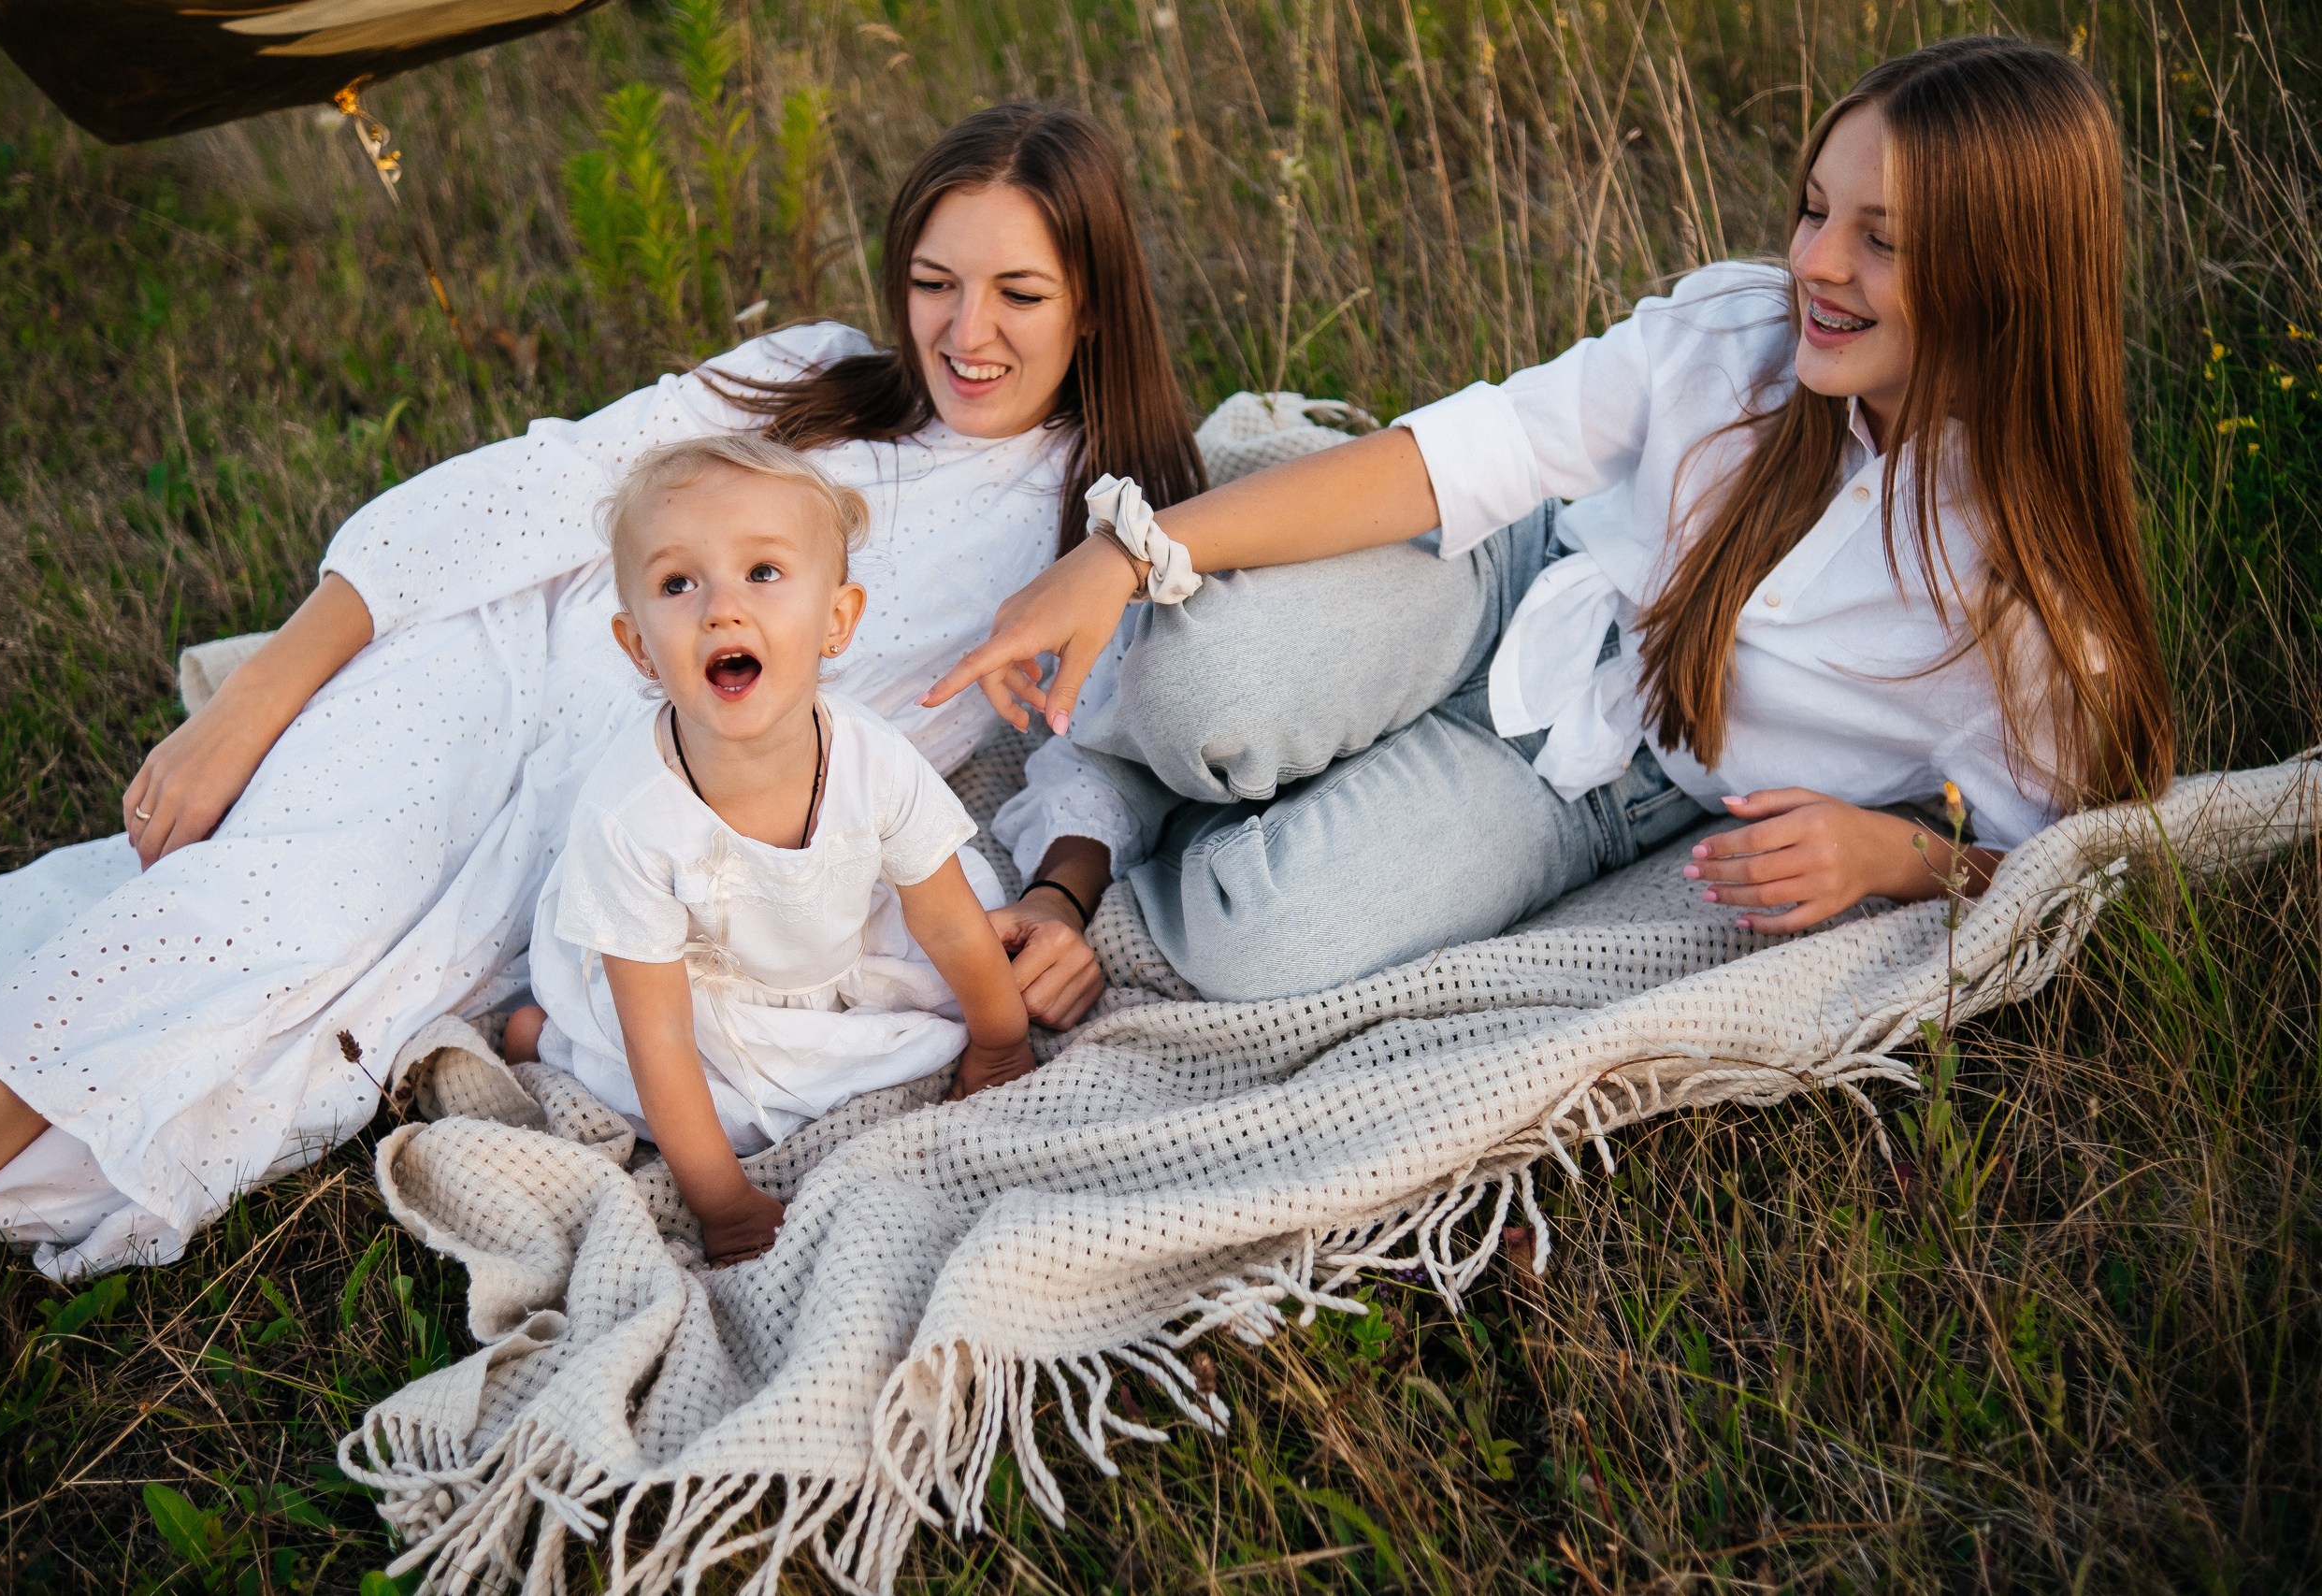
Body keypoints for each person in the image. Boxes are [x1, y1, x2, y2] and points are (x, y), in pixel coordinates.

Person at [0, 103, 1203, 1272]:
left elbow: (1100, 739)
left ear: (1093, 305)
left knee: (296, 1018)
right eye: (933, 284)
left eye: (1018, 294)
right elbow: (541, 485)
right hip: (483, 679)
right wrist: (256, 695)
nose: (964, 334)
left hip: (611, 805)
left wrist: (1057, 888)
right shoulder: (816, 375)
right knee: (259, 923)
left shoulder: (1100, 526)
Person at [926, 36, 2175, 1000]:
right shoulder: (1733, 335)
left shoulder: (2027, 608)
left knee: (1256, 934)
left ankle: (1137, 830)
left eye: (1880, 240)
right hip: (1505, 583)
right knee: (1191, 686)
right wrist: (1133, 547)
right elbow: (1450, 459)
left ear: (2008, 280)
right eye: (1813, 210)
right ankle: (1113, 797)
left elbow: (2059, 861)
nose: (1812, 262)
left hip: (1611, 782)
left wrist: (1894, 856)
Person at [511, 436, 1035, 1264]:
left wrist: (1002, 1039)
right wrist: (726, 1208)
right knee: (648, 1082)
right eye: (678, 582)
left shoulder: (871, 759)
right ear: (638, 646)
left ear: (836, 621)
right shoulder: (631, 817)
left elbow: (947, 922)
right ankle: (549, 1031)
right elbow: (662, 1040)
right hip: (696, 988)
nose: (722, 607)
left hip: (841, 938)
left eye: (762, 572)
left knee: (954, 973)